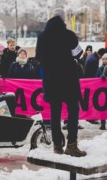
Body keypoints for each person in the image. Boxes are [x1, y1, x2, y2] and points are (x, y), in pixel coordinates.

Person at [36, 8, 86, 157]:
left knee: (55, 113)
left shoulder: (42, 36)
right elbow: (78, 53)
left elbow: (38, 56)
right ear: (63, 20)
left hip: (51, 80)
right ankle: (72, 145)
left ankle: (57, 146)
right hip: (68, 78)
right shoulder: (69, 35)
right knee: (72, 111)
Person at [96, 53, 107, 130]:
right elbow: (96, 78)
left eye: (106, 59)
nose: (105, 60)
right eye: (103, 59)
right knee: (102, 107)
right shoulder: (99, 69)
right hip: (101, 91)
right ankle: (102, 123)